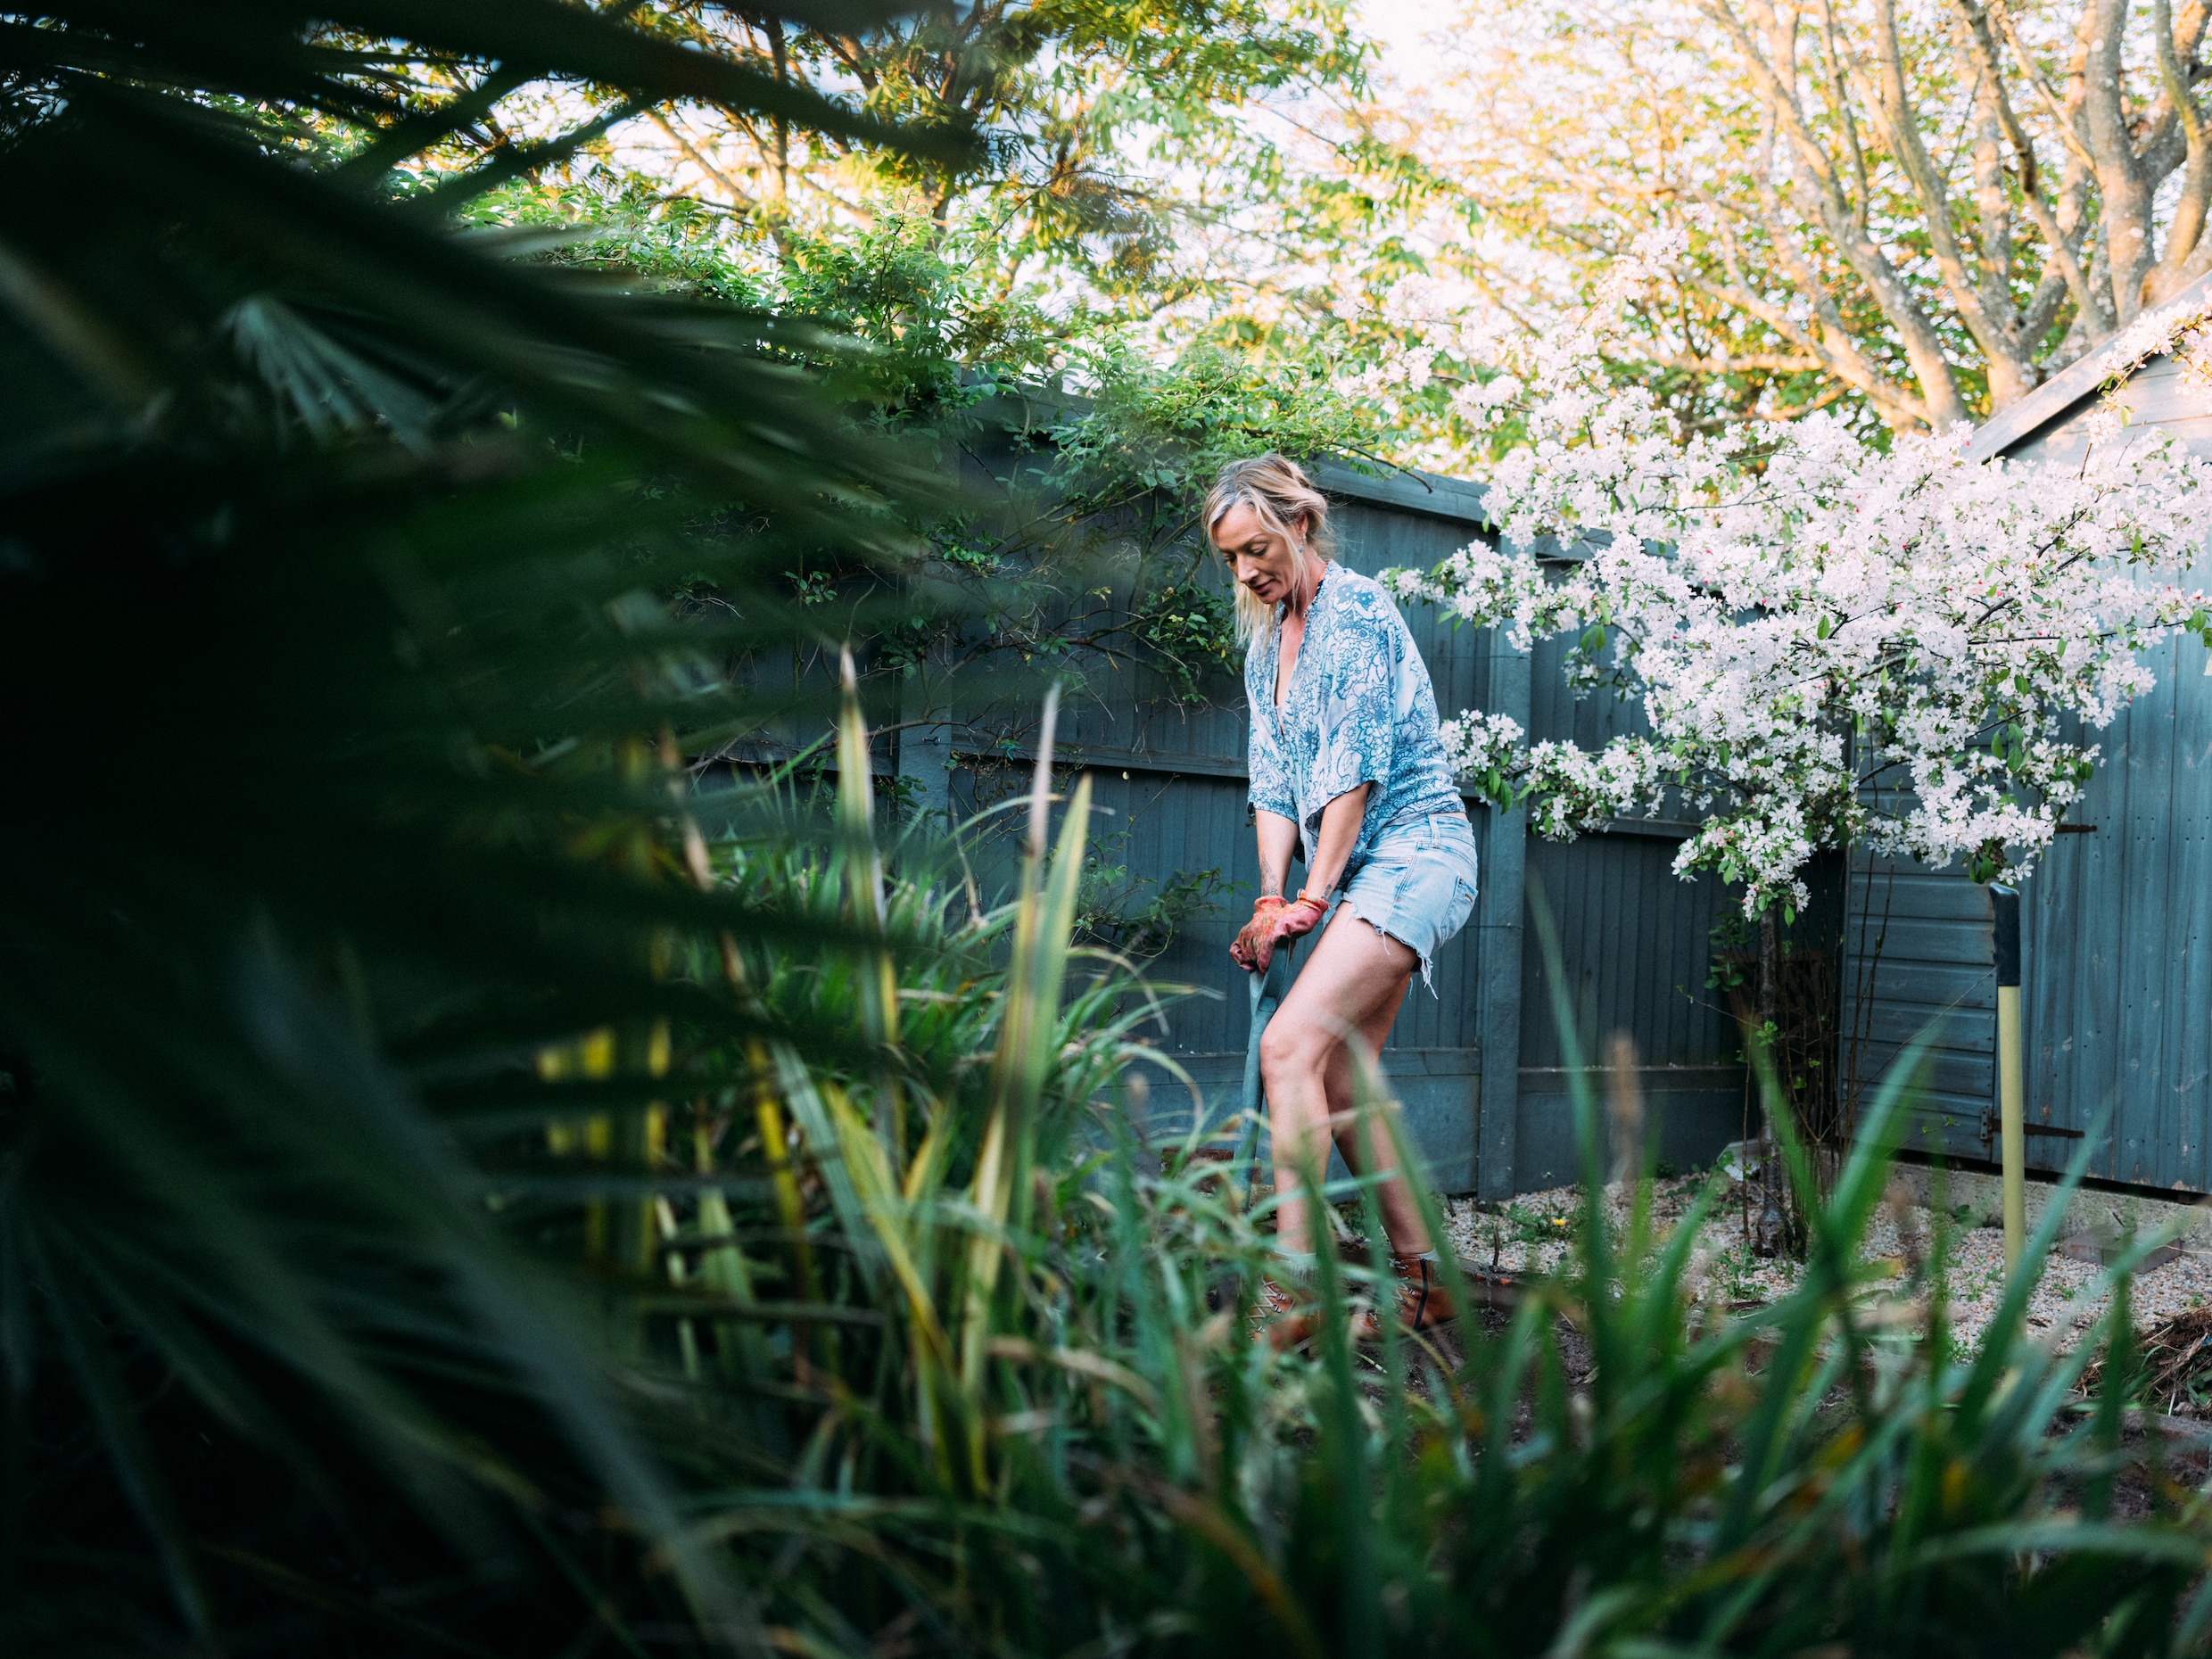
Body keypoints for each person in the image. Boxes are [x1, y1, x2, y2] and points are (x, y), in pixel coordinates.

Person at [1208, 454, 1481, 1346]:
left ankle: (1293, 1289)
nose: (1245, 572)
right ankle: (1430, 1279)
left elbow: (1353, 774)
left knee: (1288, 1045)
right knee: (1338, 1071)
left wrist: (1313, 898)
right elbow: (1272, 783)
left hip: (1418, 853)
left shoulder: (1357, 613)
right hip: (1363, 871)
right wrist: (1269, 897)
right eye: (1230, 559)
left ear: (1300, 525)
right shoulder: (1267, 645)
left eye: (1256, 549)